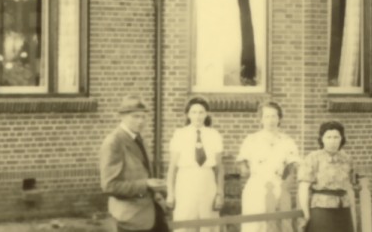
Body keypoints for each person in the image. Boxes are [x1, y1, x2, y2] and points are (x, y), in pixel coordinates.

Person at [99, 95, 169, 232]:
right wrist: (146, 184)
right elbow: (109, 186)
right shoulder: (114, 142)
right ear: (122, 116)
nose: (140, 121)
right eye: (135, 116)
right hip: (129, 218)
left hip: (150, 213)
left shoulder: (138, 138)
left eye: (143, 117)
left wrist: (156, 190)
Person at [237, 101, 300, 232]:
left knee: (277, 225)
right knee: (254, 225)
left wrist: (284, 188)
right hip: (256, 187)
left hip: (278, 186)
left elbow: (292, 167)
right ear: (261, 119)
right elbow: (242, 163)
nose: (270, 120)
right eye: (267, 116)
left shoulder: (287, 141)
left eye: (274, 116)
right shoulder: (251, 140)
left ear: (279, 118)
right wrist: (246, 170)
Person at [166, 97, 224, 232]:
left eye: (201, 112)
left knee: (208, 223)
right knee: (185, 222)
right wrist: (170, 193)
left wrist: (220, 193)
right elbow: (172, 168)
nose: (198, 116)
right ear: (188, 114)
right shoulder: (180, 134)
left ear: (207, 114)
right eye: (194, 112)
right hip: (186, 181)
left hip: (207, 181)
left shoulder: (214, 134)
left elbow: (219, 168)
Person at [297, 120, 356, 232]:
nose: (332, 141)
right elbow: (303, 188)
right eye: (328, 137)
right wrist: (306, 214)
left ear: (341, 139)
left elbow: (349, 188)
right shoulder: (313, 158)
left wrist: (352, 213)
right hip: (321, 211)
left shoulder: (347, 159)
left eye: (336, 137)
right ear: (322, 139)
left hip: (343, 210)